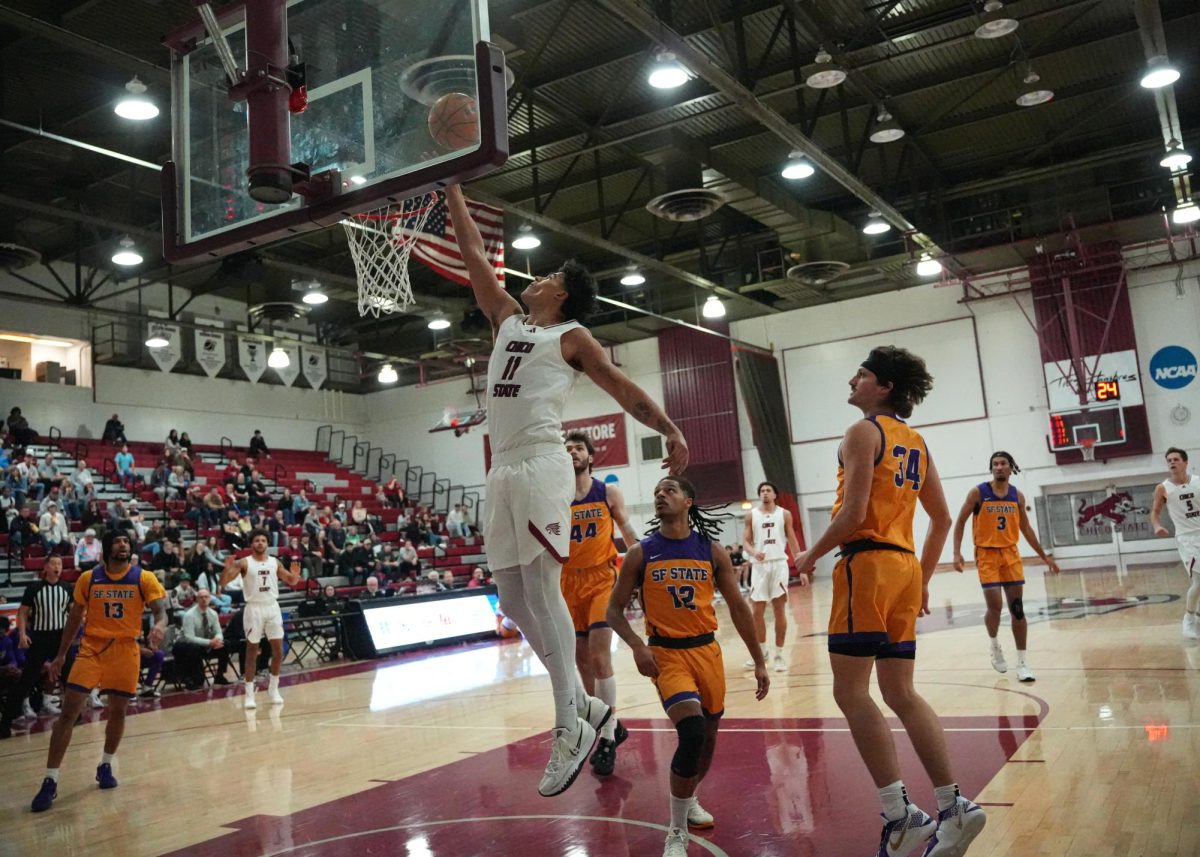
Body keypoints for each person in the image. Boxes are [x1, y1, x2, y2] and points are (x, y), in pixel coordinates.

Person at [445, 183, 688, 797]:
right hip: (501, 468)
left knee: (539, 586)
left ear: (562, 293)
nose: (537, 276)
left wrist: (668, 427)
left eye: (549, 273)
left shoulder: (571, 336)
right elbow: (474, 254)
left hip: (541, 464)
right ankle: (592, 709)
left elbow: (619, 387)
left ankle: (567, 727)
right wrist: (451, 186)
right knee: (511, 595)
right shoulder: (506, 321)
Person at [794, 346, 986, 857]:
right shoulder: (915, 440)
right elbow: (942, 519)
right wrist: (921, 581)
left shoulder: (863, 432)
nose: (851, 382)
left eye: (861, 375)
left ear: (883, 387)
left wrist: (810, 553)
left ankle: (902, 817)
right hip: (902, 568)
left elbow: (855, 513)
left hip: (867, 566)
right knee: (901, 693)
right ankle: (954, 806)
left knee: (850, 693)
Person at [606, 476, 768, 857]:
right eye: (657, 491)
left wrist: (759, 660)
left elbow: (740, 609)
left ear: (689, 501)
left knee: (708, 737)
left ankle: (689, 797)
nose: (660, 495)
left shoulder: (711, 551)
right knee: (692, 732)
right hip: (666, 654)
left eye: (669, 490)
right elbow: (612, 610)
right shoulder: (640, 553)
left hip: (707, 651)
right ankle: (676, 830)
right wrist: (636, 646)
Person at [28, 532, 167, 812]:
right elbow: (75, 618)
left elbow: (161, 611)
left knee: (117, 711)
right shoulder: (89, 578)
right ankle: (50, 779)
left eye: (127, 541)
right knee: (69, 712)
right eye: (117, 541)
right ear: (106, 548)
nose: (123, 545)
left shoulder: (144, 577)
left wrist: (160, 625)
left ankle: (105, 764)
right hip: (91, 648)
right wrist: (60, 655)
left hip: (126, 650)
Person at [562, 431, 638, 776]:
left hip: (602, 578)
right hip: (566, 582)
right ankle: (608, 723)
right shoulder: (556, 496)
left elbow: (627, 529)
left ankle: (606, 737)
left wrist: (642, 564)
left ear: (590, 457)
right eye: (567, 449)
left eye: (578, 448)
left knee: (598, 655)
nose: (572, 452)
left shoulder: (606, 492)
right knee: (581, 661)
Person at [951, 451, 1060, 680]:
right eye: (995, 464)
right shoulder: (978, 493)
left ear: (1011, 468)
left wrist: (1044, 557)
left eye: (1003, 464)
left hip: (1011, 554)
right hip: (986, 555)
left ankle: (1022, 663)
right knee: (995, 606)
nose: (999, 467)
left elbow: (1026, 529)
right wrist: (956, 552)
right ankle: (994, 645)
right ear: (991, 468)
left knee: (1017, 609)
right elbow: (960, 521)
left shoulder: (1017, 496)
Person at [219, 529, 301, 708]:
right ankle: (249, 692)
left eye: (263, 540)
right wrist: (225, 570)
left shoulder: (274, 562)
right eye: (257, 540)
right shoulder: (244, 562)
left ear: (267, 543)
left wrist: (295, 576)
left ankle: (274, 687)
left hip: (272, 606)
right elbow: (223, 583)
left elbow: (291, 581)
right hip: (254, 608)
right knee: (251, 651)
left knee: (278, 651)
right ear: (251, 544)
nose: (260, 543)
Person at [1, 556, 72, 739]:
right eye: (54, 564)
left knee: (70, 678)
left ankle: (74, 715)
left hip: (60, 638)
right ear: (46, 566)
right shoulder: (33, 588)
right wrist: (23, 634)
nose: (58, 567)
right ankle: (6, 722)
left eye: (60, 564)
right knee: (26, 680)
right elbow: (22, 613)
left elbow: (74, 614)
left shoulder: (67, 588)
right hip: (40, 638)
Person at [742, 481, 806, 674]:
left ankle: (779, 654)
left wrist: (802, 567)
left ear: (775, 495)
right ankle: (762, 652)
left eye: (768, 490)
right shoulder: (751, 515)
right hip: (760, 567)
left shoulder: (784, 514)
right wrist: (753, 552)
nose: (765, 493)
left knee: (779, 610)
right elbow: (745, 541)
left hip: (779, 564)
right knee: (757, 612)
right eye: (762, 491)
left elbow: (793, 541)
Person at [1151, 447, 1200, 639]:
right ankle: (1189, 619)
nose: (1172, 463)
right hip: (1187, 538)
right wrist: (1156, 526)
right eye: (1169, 460)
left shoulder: (1198, 482)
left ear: (1185, 462)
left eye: (1176, 459)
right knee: (1198, 580)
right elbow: (1155, 512)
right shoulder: (1163, 488)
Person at [173, 589, 230, 689]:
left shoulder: (213, 613)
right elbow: (189, 638)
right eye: (201, 597)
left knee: (226, 644)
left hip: (203, 643)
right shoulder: (189, 615)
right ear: (197, 599)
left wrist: (217, 640)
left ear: (210, 599)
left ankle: (219, 675)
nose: (204, 599)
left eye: (206, 597)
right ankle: (192, 679)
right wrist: (209, 642)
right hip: (184, 646)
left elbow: (218, 632)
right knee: (193, 647)